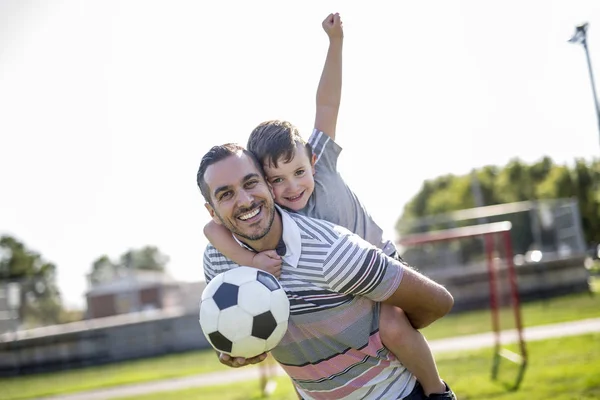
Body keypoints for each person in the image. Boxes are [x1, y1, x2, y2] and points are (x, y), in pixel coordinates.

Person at [203, 12, 452, 398]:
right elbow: (211, 230)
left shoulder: (319, 163)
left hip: (379, 261)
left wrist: (335, 42)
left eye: (299, 173)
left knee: (393, 329)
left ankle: (438, 391)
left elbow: (328, 104)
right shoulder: (261, 222)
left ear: (312, 161)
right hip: (339, 305)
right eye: (276, 181)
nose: (291, 187)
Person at [197, 142, 456, 399]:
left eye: (250, 182)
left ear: (268, 184)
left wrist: (389, 332)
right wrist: (235, 347)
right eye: (226, 194)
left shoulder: (332, 251)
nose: (244, 200)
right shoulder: (218, 263)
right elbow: (235, 323)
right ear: (213, 212)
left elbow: (438, 302)